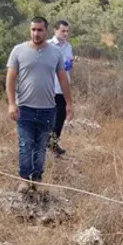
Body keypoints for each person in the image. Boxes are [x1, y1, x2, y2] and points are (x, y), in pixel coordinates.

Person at [6, 17, 73, 192]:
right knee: (25, 144)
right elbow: (11, 78)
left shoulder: (56, 53)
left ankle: (37, 178)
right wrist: (12, 104)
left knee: (41, 145)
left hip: (47, 109)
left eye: (40, 30)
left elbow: (63, 79)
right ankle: (23, 179)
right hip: (25, 108)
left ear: (46, 30)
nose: (36, 33)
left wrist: (69, 103)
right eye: (33, 30)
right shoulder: (18, 51)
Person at [48, 20, 75, 156]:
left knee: (61, 117)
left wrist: (69, 64)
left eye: (67, 31)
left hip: (63, 88)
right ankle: (46, 143)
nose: (65, 33)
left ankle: (53, 143)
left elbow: (68, 63)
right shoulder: (48, 45)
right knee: (49, 117)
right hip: (50, 87)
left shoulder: (68, 46)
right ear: (55, 30)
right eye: (63, 30)